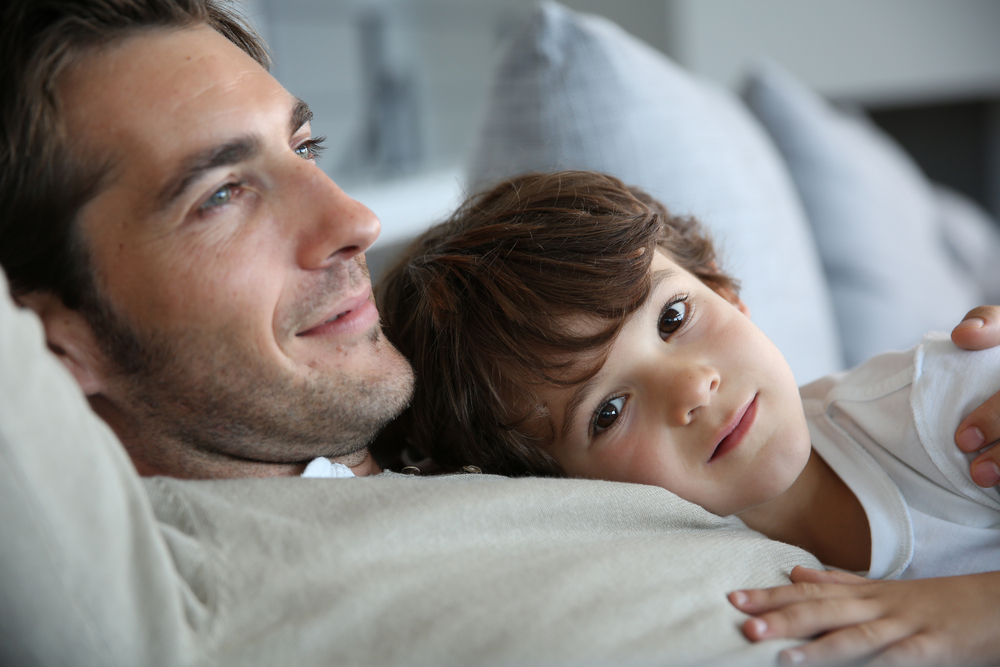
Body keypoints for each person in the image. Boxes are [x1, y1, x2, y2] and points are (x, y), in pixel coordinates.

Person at [2, 1, 999, 665]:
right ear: (56, 345)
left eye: (306, 146)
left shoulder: (921, 420)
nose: (353, 219)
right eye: (222, 193)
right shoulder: (162, 582)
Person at [377, 170, 1000, 665]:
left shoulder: (952, 406)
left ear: (726, 293)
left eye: (672, 317)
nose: (693, 389)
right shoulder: (665, 579)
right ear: (561, 491)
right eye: (609, 411)